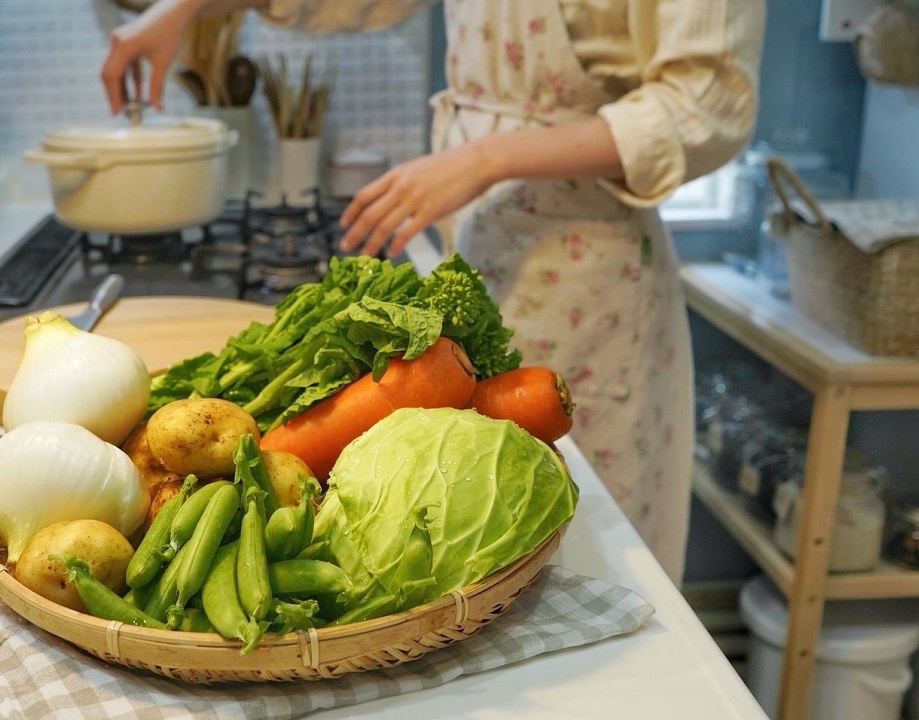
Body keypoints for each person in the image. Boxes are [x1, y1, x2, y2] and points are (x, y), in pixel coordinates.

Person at [101, 0, 765, 584]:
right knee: (471, 538)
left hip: (594, 287)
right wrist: (187, 4)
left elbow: (705, 106)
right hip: (481, 248)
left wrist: (484, 158)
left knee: (592, 567)